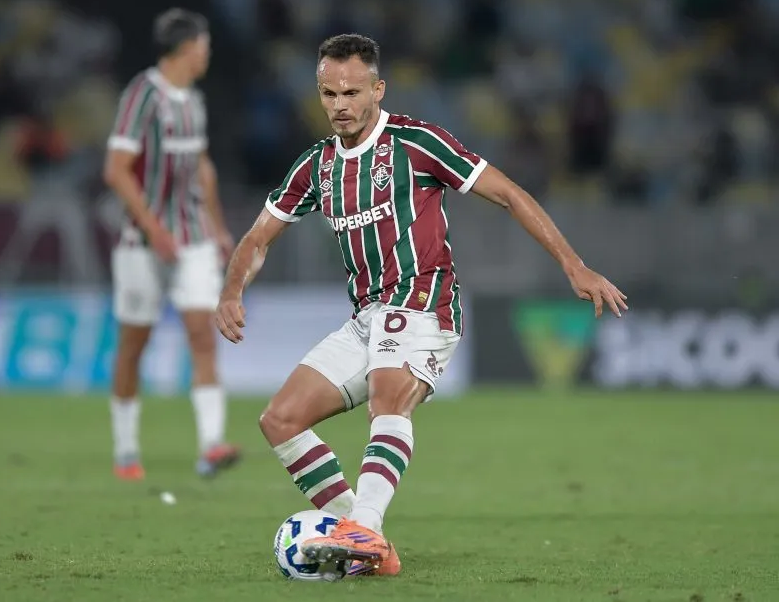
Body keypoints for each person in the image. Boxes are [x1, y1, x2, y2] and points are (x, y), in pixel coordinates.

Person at [216, 34, 627, 576]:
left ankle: (364, 527)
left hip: (424, 305)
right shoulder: (316, 165)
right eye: (328, 93)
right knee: (280, 419)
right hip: (367, 317)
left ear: (377, 90)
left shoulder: (416, 143)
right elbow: (257, 237)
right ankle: (368, 544)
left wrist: (573, 264)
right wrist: (231, 289)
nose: (339, 104)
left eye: (351, 91)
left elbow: (508, 193)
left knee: (389, 394)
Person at [103, 9, 240, 480]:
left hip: (194, 238)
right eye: (204, 45)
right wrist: (153, 228)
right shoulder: (143, 95)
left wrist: (218, 227)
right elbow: (116, 169)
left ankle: (211, 446)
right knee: (133, 344)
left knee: (203, 334)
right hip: (142, 242)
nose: (208, 54)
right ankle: (125, 452)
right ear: (187, 49)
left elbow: (202, 169)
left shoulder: (193, 102)